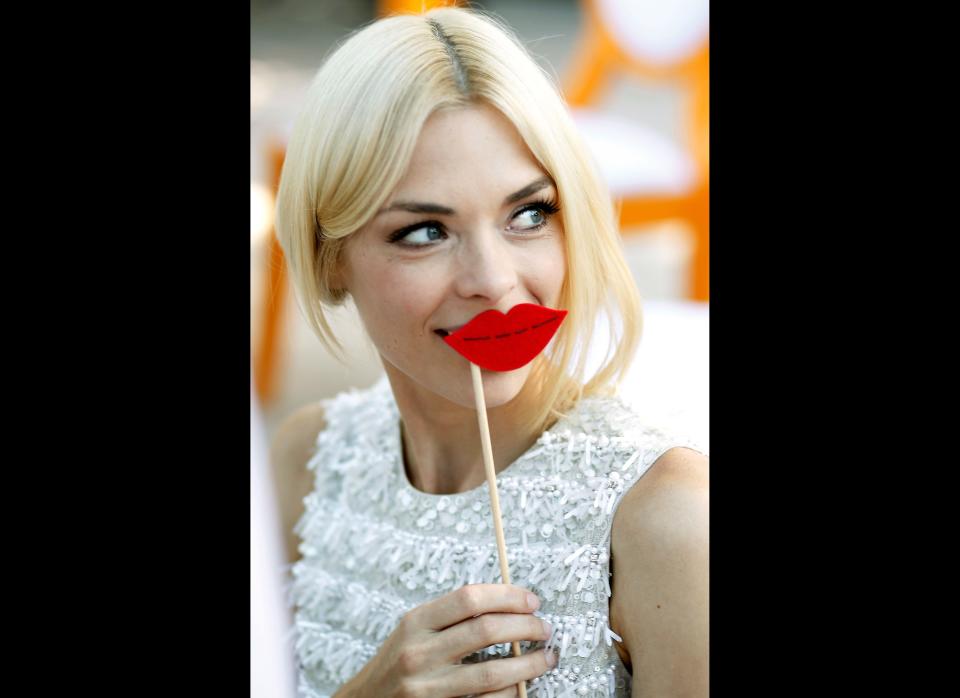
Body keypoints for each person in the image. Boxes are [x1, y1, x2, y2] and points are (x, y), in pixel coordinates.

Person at [271, 7, 708, 697]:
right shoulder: (305, 463)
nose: (496, 282)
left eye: (529, 214)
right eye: (424, 231)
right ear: (331, 261)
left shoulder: (670, 520)